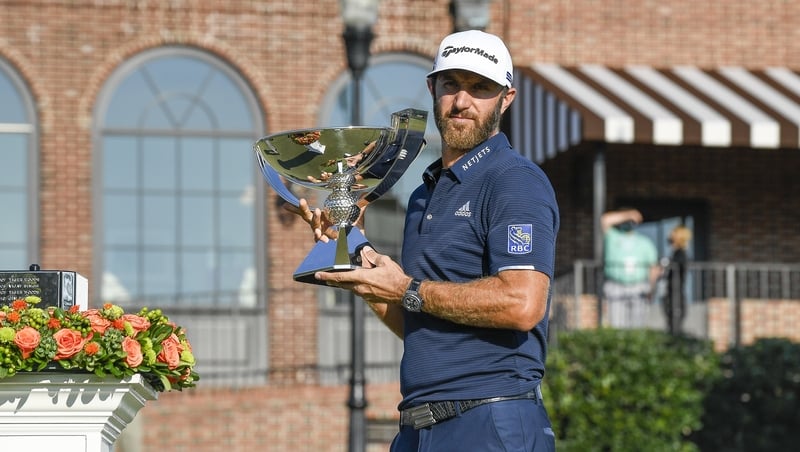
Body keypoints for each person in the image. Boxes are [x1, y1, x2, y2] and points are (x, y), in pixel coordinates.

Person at [289, 30, 559, 452]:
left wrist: (407, 289)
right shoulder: (423, 193)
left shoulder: (514, 181)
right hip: (418, 428)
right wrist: (355, 254)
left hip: (491, 421)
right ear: (433, 89)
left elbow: (522, 304)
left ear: (506, 99)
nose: (462, 101)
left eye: (480, 88)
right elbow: (417, 320)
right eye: (451, 84)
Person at [600, 208, 659, 328]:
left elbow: (653, 268)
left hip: (639, 287)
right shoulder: (612, 236)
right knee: (616, 326)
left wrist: (652, 288)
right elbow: (604, 220)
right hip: (615, 286)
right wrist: (629, 214)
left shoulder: (645, 242)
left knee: (638, 327)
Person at [662, 225, 692, 335]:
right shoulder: (675, 253)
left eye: (673, 233)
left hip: (676, 294)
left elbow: (677, 267)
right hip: (672, 293)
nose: (670, 235)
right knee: (671, 322)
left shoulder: (681, 254)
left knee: (675, 325)